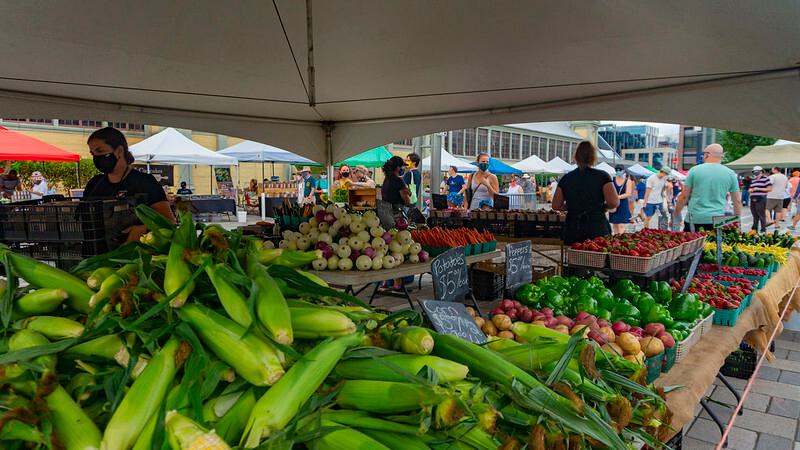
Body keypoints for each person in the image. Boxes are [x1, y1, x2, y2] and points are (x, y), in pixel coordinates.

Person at [83, 127, 174, 241]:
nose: (96, 158)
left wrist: (143, 229)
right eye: (93, 154)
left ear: (119, 151)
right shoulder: (94, 184)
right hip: (96, 250)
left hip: (135, 250)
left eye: (100, 151)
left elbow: (170, 223)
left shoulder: (145, 182)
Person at [551, 141, 619, 244]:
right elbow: (614, 202)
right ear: (593, 157)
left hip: (573, 227)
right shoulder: (603, 176)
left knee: (574, 253)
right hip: (596, 226)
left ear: (576, 157)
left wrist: (572, 206)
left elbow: (556, 205)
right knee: (597, 252)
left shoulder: (566, 178)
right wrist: (602, 207)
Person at [673, 144, 741, 232]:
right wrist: (737, 222)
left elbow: (684, 196)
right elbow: (737, 201)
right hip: (718, 219)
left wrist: (676, 215)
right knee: (716, 241)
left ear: (706, 155)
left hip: (695, 218)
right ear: (721, 156)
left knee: (693, 241)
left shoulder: (694, 170)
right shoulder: (730, 173)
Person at [608, 165, 635, 234]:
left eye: (620, 170)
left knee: (621, 224)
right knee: (615, 224)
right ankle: (616, 237)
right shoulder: (612, 180)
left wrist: (617, 197)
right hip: (614, 204)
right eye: (616, 170)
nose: (618, 171)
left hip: (623, 204)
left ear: (623, 171)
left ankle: (621, 237)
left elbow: (628, 194)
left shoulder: (628, 181)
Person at [747, 166, 771, 233]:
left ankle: (763, 229)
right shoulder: (753, 180)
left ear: (761, 171)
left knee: (761, 214)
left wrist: (758, 189)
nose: (755, 173)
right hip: (753, 198)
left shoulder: (766, 179)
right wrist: (750, 190)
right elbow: (750, 188)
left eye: (756, 172)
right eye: (754, 172)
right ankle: (754, 229)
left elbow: (769, 189)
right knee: (754, 214)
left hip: (761, 198)